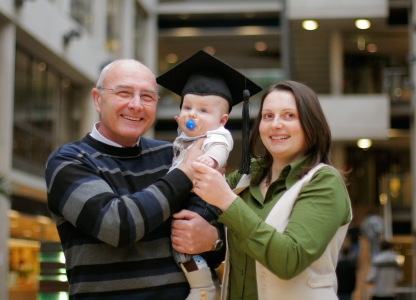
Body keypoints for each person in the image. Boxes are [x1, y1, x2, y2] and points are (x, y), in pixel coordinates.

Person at [45, 59, 221, 299]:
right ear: (97, 99)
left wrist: (214, 239)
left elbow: (215, 221)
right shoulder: (68, 161)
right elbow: (118, 226)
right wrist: (185, 173)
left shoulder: (171, 155)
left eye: (147, 97)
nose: (136, 105)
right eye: (124, 93)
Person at [183, 80, 352, 299]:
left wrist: (227, 201)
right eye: (268, 116)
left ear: (311, 124)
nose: (276, 124)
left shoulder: (323, 182)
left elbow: (290, 260)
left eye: (289, 115)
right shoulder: (246, 177)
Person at [157, 50, 262, 299]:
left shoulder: (217, 135)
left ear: (222, 120)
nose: (193, 114)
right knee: (179, 240)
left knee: (183, 247)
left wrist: (211, 159)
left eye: (203, 110)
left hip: (201, 199)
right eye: (188, 107)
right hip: (187, 195)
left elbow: (220, 148)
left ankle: (202, 287)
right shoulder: (184, 139)